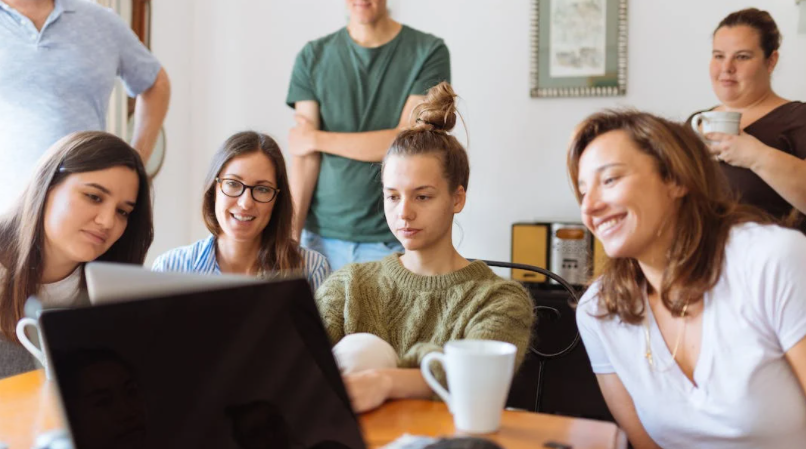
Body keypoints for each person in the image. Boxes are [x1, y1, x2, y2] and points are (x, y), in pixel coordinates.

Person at [568, 110, 806, 449]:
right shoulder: (599, 311)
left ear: (675, 179)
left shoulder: (771, 259)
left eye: (609, 180)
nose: (589, 207)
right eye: (581, 191)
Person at [315, 83, 534, 413]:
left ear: (457, 198)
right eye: (392, 196)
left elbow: (477, 380)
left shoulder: (499, 299)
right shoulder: (348, 286)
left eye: (422, 196)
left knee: (367, 351)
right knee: (363, 349)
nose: (404, 212)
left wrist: (385, 381)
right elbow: (296, 367)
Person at [286, 0, 451, 271]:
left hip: (392, 238)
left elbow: (407, 143)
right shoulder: (312, 56)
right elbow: (305, 157)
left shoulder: (428, 51)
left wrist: (317, 138)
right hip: (318, 241)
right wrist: (290, 239)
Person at [0, 132, 154, 379]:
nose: (107, 221)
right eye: (93, 197)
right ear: (47, 185)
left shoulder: (112, 293)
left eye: (123, 212)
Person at [0, 0, 171, 215]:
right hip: (7, 210)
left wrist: (137, 162)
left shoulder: (101, 21)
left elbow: (156, 83)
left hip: (87, 207)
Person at [152, 132, 330, 292]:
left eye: (262, 189)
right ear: (214, 189)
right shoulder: (170, 269)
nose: (245, 203)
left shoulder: (311, 269)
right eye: (233, 184)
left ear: (277, 200)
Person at [690, 8, 806, 233]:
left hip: (773, 265)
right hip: (705, 264)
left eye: (742, 57)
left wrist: (755, 156)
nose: (726, 68)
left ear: (771, 61)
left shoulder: (799, 118)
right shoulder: (695, 122)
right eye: (718, 56)